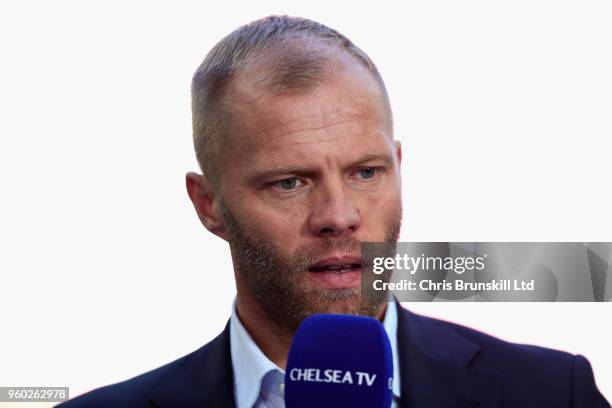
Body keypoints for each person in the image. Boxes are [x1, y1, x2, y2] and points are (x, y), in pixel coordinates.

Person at [58, 15, 609, 408]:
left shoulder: (552, 392)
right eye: (290, 182)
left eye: (365, 172)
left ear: (398, 167)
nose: (339, 215)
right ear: (209, 206)